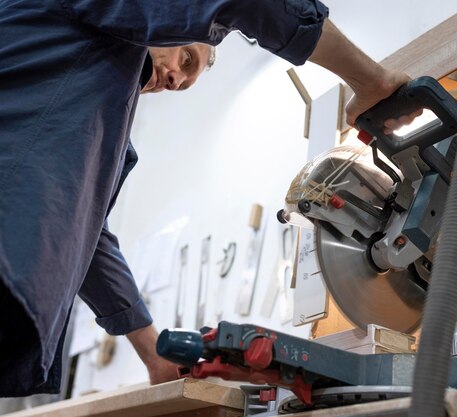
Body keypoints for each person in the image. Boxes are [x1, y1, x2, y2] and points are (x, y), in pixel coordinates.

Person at [0, 0, 416, 396]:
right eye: (186, 59)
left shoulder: (86, 109)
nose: (176, 79)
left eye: (185, 81)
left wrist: (153, 354)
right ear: (169, 23)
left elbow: (87, 240)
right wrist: (371, 81)